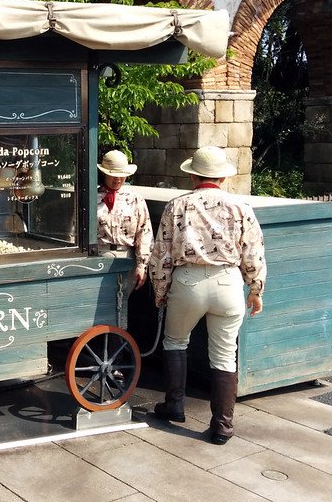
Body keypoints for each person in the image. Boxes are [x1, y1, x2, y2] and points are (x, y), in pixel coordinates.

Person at [148, 146, 266, 445]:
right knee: (225, 355)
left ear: (193, 176)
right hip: (228, 282)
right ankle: (222, 426)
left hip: (188, 282)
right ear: (223, 176)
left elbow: (160, 255)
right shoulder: (241, 207)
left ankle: (174, 405)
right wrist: (255, 289)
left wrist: (160, 291)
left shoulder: (178, 206)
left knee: (175, 341)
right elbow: (253, 252)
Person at [96, 150, 153, 295]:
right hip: (98, 256)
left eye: (122, 175)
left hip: (126, 256)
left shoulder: (135, 199)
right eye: (113, 175)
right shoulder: (92, 197)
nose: (118, 179)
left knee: (122, 303)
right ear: (104, 173)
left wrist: (142, 265)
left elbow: (144, 233)